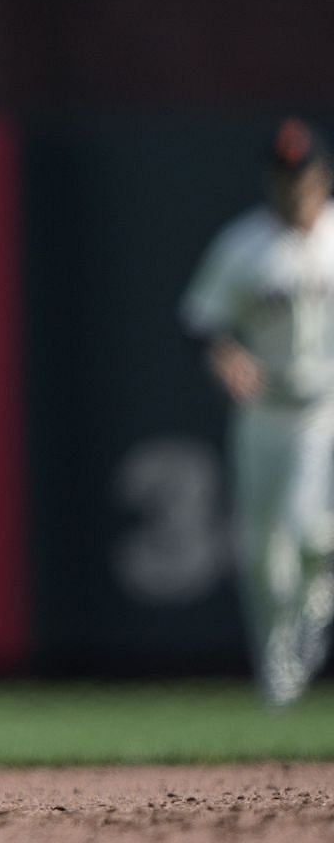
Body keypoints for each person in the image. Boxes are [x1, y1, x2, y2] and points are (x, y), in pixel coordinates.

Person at [180, 117, 334, 706]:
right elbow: (201, 318)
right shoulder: (246, 244)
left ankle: (314, 618)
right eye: (282, 177)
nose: (292, 189)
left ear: (321, 178)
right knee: (263, 551)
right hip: (263, 411)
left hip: (321, 409)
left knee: (304, 532)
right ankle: (277, 674)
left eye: (301, 177)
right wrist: (224, 355)